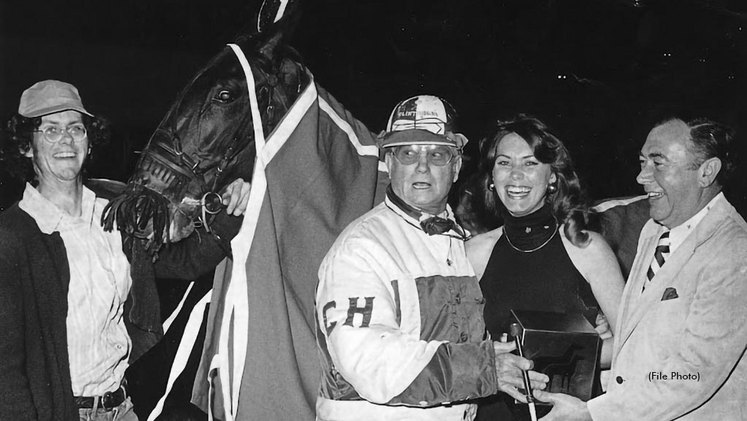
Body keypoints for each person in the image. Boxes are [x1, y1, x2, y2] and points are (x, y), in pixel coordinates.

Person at [0, 80, 250, 420]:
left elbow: (185, 262)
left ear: (89, 142)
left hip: (123, 408)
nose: (66, 140)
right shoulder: (12, 237)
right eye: (50, 130)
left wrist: (232, 211)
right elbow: (6, 370)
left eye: (76, 128)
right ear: (26, 146)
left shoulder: (115, 213)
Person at [314, 95, 548, 421]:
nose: (422, 166)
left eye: (437, 154)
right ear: (390, 163)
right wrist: (483, 369)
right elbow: (370, 363)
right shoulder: (361, 249)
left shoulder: (461, 244)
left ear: (455, 168)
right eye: (408, 153)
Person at [537, 117, 747, 420]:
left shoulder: (734, 251)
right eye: (641, 162)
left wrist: (594, 413)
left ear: (706, 172)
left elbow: (692, 375)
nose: (641, 177)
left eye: (658, 163)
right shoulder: (653, 231)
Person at [465, 115, 625, 421]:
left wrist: (554, 357)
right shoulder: (474, 252)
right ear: (491, 176)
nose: (515, 176)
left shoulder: (586, 247)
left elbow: (631, 343)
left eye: (530, 163)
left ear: (552, 177)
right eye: (504, 163)